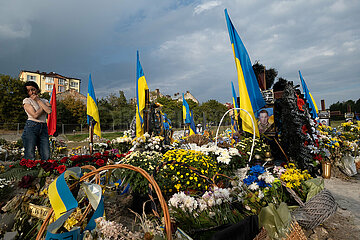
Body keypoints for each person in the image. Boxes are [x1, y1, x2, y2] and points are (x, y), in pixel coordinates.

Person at [22, 81, 52, 160]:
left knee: (46, 154)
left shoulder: (44, 100)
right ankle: (30, 171)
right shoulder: (27, 101)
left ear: (37, 89)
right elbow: (35, 115)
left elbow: (49, 111)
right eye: (28, 90)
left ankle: (45, 171)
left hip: (43, 127)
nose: (31, 92)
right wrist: (44, 106)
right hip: (31, 126)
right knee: (30, 153)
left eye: (33, 89)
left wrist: (38, 100)